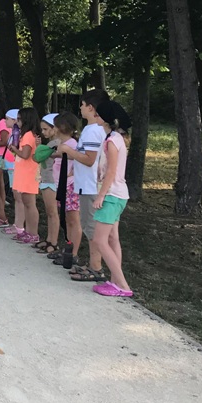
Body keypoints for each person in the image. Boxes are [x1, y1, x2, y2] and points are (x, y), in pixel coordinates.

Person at [56, 89, 110, 281]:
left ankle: (96, 268)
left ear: (91, 107)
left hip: (90, 186)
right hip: (86, 184)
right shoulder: (93, 129)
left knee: (92, 228)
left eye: (82, 104)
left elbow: (89, 159)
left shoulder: (93, 130)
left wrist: (68, 150)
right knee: (89, 227)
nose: (80, 108)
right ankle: (93, 265)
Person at [90, 99, 134, 297]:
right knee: (112, 238)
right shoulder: (115, 138)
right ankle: (116, 281)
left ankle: (123, 286)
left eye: (98, 114)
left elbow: (111, 172)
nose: (95, 116)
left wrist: (101, 196)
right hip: (117, 194)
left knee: (100, 240)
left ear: (106, 118)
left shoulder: (112, 141)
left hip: (111, 195)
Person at [47, 113, 82, 266]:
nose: (53, 129)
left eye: (55, 126)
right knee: (66, 219)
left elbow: (77, 158)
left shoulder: (72, 144)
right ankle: (67, 249)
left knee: (73, 220)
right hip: (62, 185)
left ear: (62, 127)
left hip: (70, 185)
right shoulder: (63, 143)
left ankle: (73, 254)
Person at [7, 108, 41, 244]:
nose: (17, 122)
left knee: (30, 203)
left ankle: (33, 233)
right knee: (26, 202)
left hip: (28, 173)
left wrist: (14, 149)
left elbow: (25, 154)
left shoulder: (28, 135)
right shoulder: (26, 134)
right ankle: (28, 231)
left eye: (20, 119)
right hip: (23, 172)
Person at [34, 113, 61, 254]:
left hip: (52, 181)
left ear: (55, 128)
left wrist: (39, 149)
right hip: (45, 179)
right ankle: (49, 239)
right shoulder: (50, 144)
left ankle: (54, 242)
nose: (43, 132)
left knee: (52, 212)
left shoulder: (58, 144)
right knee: (49, 212)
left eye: (45, 129)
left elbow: (39, 157)